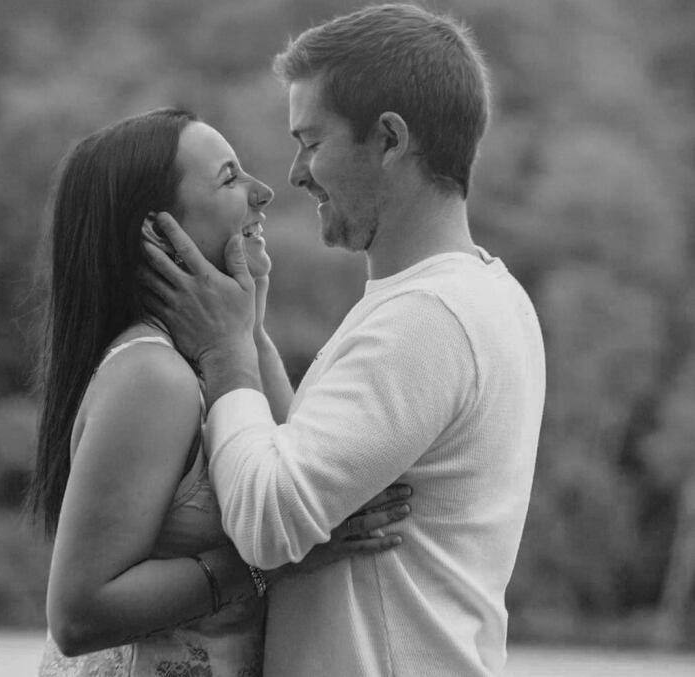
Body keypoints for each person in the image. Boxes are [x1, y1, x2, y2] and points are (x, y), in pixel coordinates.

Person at [141, 4, 547, 677]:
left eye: (312, 140)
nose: (295, 172)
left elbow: (269, 519)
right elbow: (309, 458)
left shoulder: (427, 318)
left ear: (389, 138)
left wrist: (224, 354)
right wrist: (250, 340)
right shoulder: (474, 295)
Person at [29, 107, 411, 677]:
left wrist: (246, 329)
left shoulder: (212, 362)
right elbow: (79, 615)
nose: (263, 193)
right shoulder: (153, 378)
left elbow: (294, 480)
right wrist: (272, 564)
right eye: (231, 179)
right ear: (158, 231)